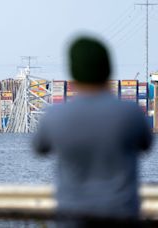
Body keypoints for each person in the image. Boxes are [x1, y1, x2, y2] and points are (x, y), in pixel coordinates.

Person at [33, 36, 153, 227]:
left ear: (73, 72)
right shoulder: (131, 113)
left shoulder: (54, 116)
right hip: (121, 216)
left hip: (71, 218)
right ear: (108, 69)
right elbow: (146, 145)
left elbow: (40, 149)